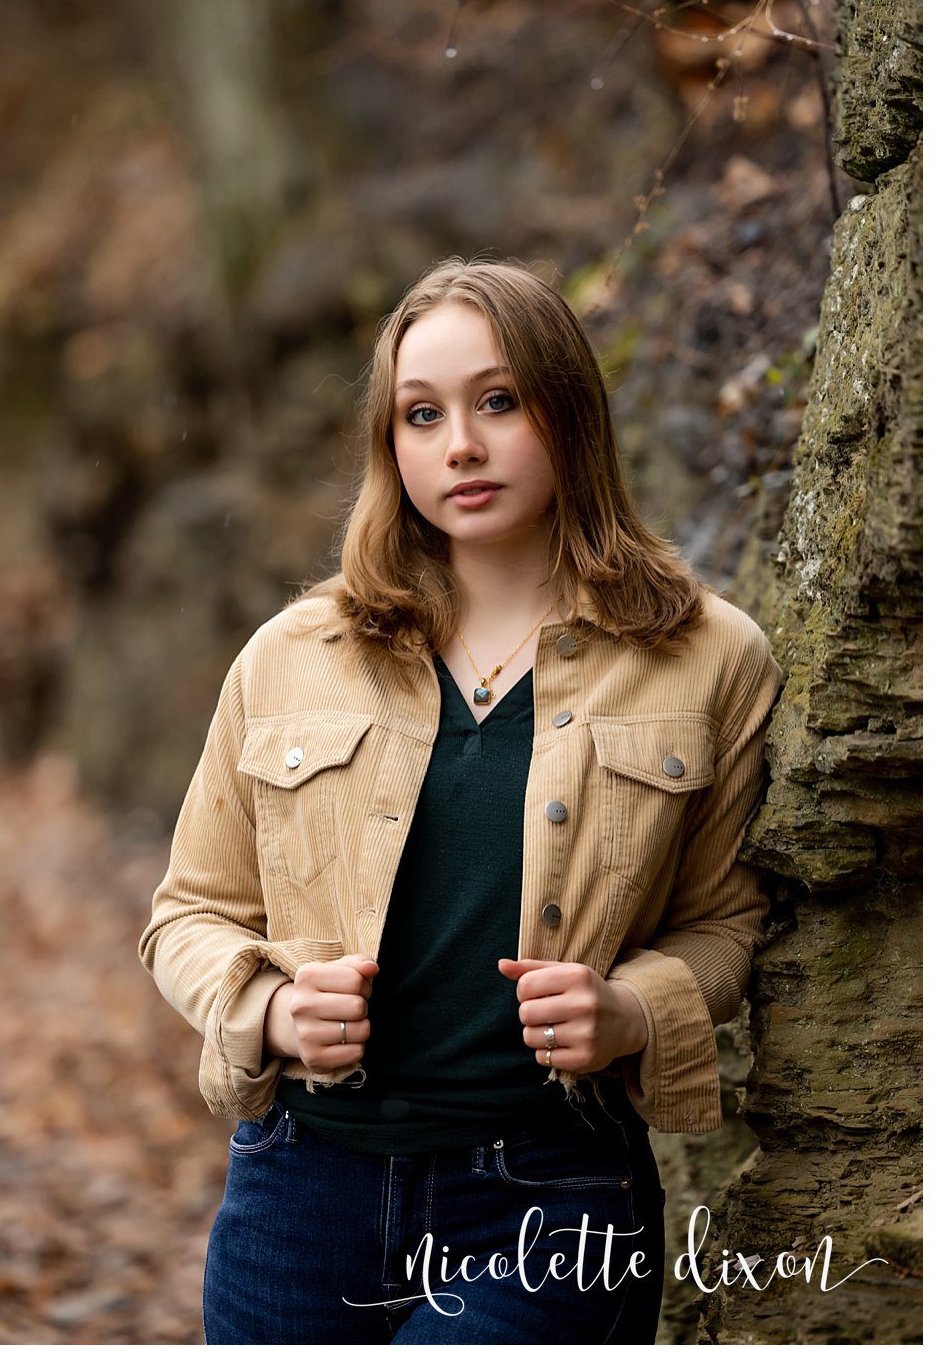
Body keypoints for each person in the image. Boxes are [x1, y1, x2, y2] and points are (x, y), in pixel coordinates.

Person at [139, 258, 781, 1342]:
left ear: (566, 409)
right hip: (299, 1194)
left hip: (552, 1195)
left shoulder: (707, 657)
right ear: (388, 448)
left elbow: (729, 925)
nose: (460, 447)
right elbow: (186, 915)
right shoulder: (290, 656)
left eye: (497, 402)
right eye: (420, 416)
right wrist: (269, 1010)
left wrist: (630, 1010)